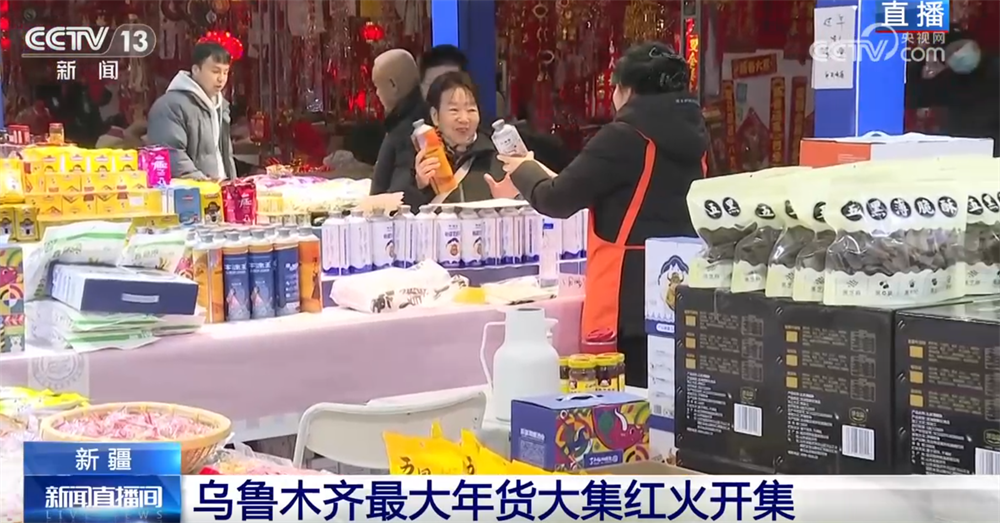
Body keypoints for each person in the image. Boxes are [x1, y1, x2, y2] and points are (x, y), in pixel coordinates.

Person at [492, 41, 708, 387]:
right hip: (678, 294)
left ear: (628, 90)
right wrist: (532, 170)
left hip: (626, 304)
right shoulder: (696, 138)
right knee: (669, 401)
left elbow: (556, 199)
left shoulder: (623, 137)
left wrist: (521, 168)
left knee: (627, 402)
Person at [410, 71, 504, 205]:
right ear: (435, 116)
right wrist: (420, 186)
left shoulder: (496, 157)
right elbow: (402, 210)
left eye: (471, 110)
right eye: (454, 110)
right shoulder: (419, 157)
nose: (464, 119)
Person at [147, 42, 236, 181]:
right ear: (196, 70)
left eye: (225, 72)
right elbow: (171, 154)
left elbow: (225, 155)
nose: (221, 78)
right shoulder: (170, 106)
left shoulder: (220, 105)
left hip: (219, 188)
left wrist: (232, 184)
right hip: (192, 191)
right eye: (215, 71)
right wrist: (203, 183)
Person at [908, 32, 1000, 156]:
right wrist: (919, 62)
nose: (957, 54)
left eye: (959, 48)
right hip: (963, 151)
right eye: (951, 52)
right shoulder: (948, 81)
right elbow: (913, 97)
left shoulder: (995, 69)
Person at [369, 49, 427, 202]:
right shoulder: (405, 119)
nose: (377, 93)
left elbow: (401, 192)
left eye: (377, 86)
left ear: (393, 85)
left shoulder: (409, 129)